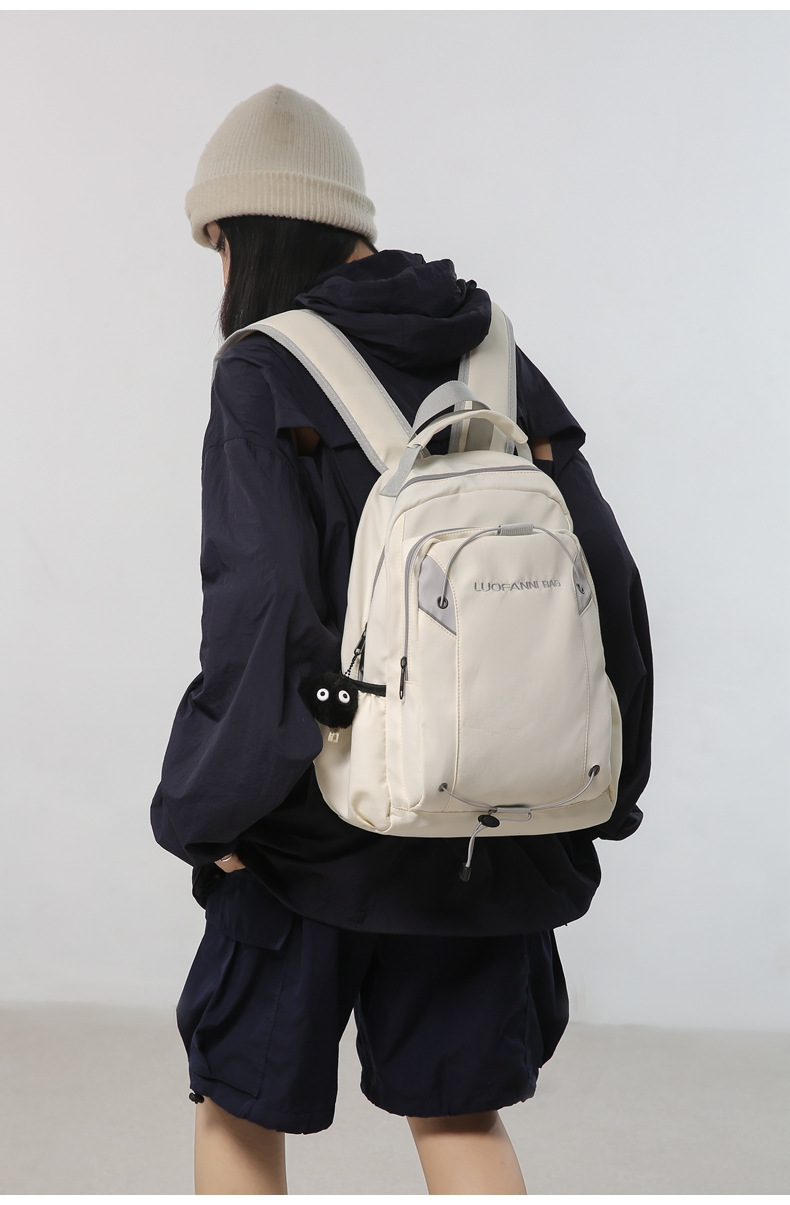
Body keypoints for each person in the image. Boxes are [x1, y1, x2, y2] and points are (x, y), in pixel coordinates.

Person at [151, 84, 652, 1195]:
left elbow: (264, 616)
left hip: (309, 836)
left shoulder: (262, 367)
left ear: (246, 234)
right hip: (487, 824)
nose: (220, 274)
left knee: (236, 1106)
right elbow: (609, 582)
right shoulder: (495, 354)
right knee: (460, 1115)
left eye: (217, 245)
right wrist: (605, 788)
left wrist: (205, 814)